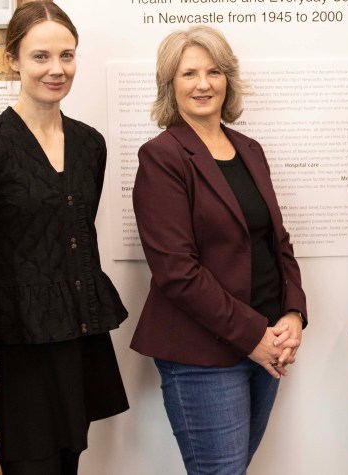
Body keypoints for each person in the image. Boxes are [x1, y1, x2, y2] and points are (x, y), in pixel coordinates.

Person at [0, 1, 128, 474]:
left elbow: (76, 235)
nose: (57, 69)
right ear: (13, 59)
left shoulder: (90, 144)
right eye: (41, 57)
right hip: (14, 350)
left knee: (70, 462)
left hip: (74, 339)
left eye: (67, 56)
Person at [130, 26, 308, 475]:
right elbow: (177, 272)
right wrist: (254, 337)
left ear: (229, 79)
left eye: (214, 71)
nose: (203, 83)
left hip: (267, 341)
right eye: (188, 73)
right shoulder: (162, 156)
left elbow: (277, 241)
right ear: (171, 84)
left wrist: (292, 313)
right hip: (202, 355)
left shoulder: (249, 149)